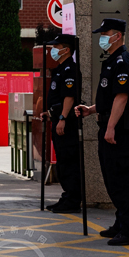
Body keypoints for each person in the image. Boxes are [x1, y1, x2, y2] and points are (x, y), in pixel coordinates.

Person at [75, 18, 129, 246]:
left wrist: (111, 127)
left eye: (106, 33)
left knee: (122, 181)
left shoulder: (123, 62)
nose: (102, 37)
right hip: (109, 127)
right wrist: (91, 110)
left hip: (120, 133)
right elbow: (111, 98)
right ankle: (120, 223)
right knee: (113, 180)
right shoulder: (112, 61)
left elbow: (122, 98)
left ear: (118, 36)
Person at [43, 34, 82, 212]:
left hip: (66, 123)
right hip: (58, 120)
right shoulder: (60, 68)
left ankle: (73, 200)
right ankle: (67, 196)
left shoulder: (70, 69)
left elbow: (69, 96)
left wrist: (63, 118)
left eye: (56, 46)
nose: (53, 50)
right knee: (63, 162)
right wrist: (50, 113)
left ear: (66, 50)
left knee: (69, 161)